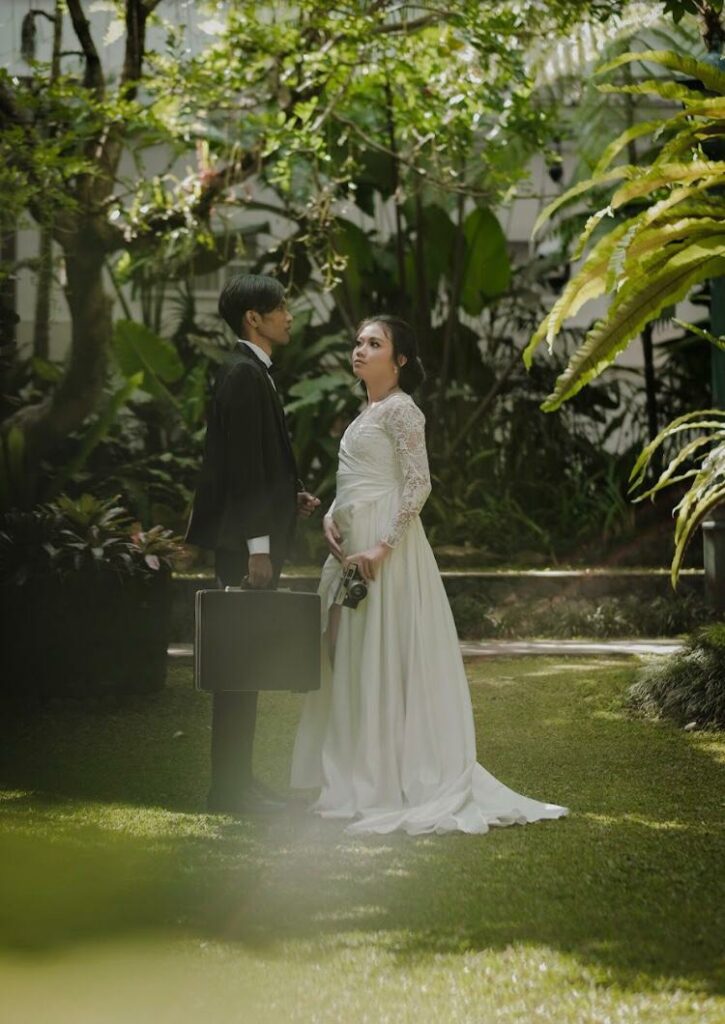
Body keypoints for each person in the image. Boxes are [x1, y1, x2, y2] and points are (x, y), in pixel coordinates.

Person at [290, 315, 568, 835]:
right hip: (350, 544)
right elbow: (358, 478)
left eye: (374, 343)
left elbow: (418, 484)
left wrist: (383, 546)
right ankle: (354, 765)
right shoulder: (366, 412)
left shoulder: (402, 409)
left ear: (399, 360)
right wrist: (330, 514)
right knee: (345, 652)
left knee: (381, 651)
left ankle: (386, 772)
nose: (360, 350)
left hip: (385, 549)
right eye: (358, 342)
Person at [186, 273, 319, 815]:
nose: (289, 315)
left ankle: (239, 781)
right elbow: (242, 472)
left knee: (245, 664)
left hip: (250, 540)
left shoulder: (253, 372)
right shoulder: (243, 374)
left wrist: (290, 499)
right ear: (253, 319)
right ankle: (229, 791)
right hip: (244, 549)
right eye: (280, 307)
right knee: (237, 667)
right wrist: (259, 548)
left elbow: (260, 466)